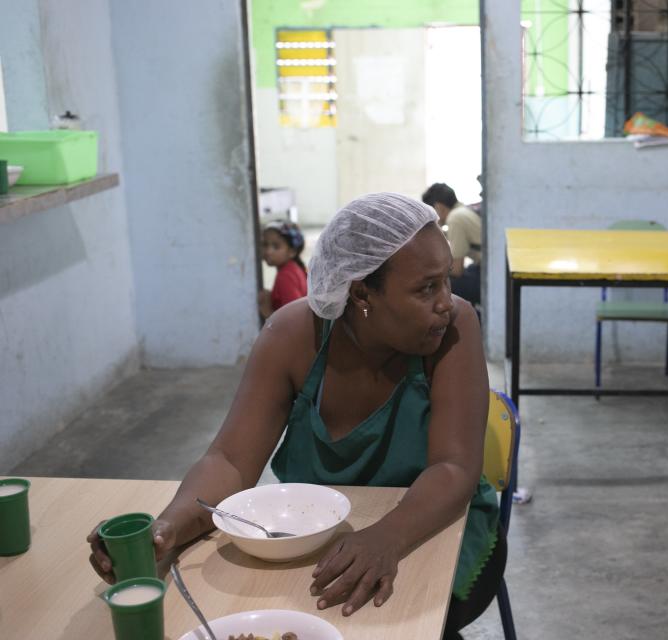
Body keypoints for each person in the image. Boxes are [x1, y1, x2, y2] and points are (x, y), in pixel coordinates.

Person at [87, 193, 504, 640]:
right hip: (316, 539)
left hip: (433, 523)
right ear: (361, 291)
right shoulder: (291, 338)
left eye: (445, 280)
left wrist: (386, 538)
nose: (447, 300)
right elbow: (229, 461)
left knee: (406, 617)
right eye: (426, 288)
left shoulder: (453, 328)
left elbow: (454, 468)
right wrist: (167, 530)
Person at [422, 183, 482, 308]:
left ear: (438, 207)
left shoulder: (455, 218)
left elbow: (457, 269)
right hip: (487, 269)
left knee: (439, 287)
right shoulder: (464, 211)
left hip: (487, 276)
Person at [258, 220, 308, 319]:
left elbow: (294, 318)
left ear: (292, 252)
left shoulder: (285, 276)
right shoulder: (293, 268)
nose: (268, 251)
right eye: (265, 244)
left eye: (276, 246)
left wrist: (267, 311)